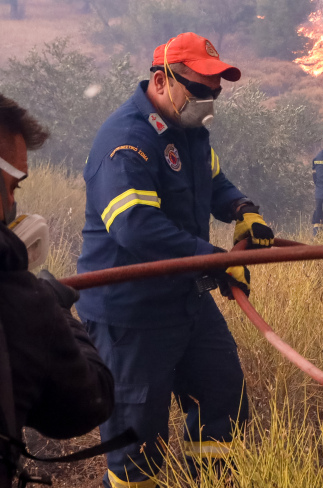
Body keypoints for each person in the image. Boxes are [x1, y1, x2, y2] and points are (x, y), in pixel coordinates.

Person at [75, 33, 275, 488]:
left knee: (222, 394)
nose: (209, 100)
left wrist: (243, 210)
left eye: (215, 91)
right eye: (200, 89)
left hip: (184, 299)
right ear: (163, 80)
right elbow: (135, 227)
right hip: (130, 313)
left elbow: (215, 181)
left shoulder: (190, 133)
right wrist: (214, 259)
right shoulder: (127, 140)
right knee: (136, 443)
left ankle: (209, 479)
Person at [0, 95, 114, 487]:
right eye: (12, 186)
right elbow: (87, 404)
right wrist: (58, 314)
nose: (14, 204)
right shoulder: (19, 302)